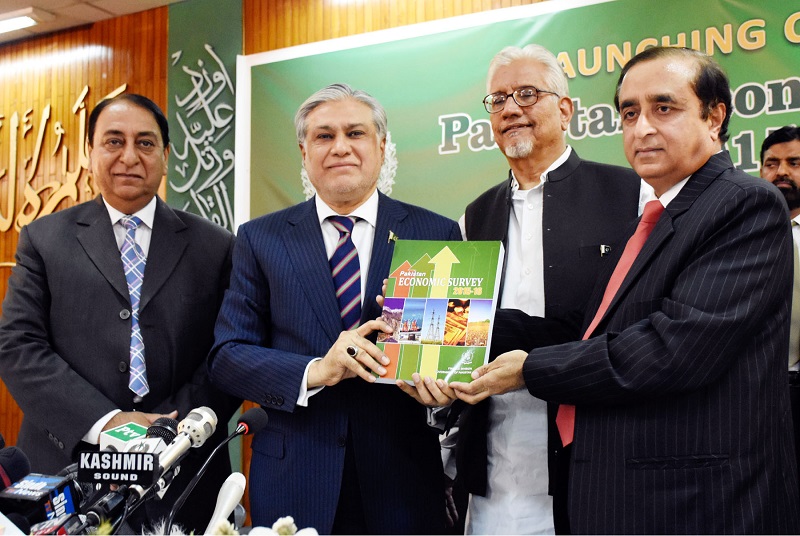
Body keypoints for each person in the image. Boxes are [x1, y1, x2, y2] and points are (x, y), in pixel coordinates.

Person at [450, 46, 800, 534]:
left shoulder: (743, 204)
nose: (643, 128)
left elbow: (675, 347)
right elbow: (587, 329)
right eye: (629, 112)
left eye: (664, 108)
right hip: (611, 491)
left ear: (714, 116)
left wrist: (530, 369)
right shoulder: (658, 215)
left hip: (699, 501)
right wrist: (441, 321)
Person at [208, 83, 462, 535]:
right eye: (324, 136)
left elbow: (451, 359)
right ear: (304, 153)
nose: (340, 147)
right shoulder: (260, 239)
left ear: (382, 147)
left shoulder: (435, 232)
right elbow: (228, 357)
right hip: (295, 482)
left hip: (404, 482)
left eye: (355, 133)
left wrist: (442, 397)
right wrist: (315, 371)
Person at [424, 44, 644, 535]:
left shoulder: (633, 196)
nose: (510, 109)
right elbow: (458, 340)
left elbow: (635, 335)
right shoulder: (472, 218)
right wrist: (422, 349)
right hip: (493, 476)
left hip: (596, 468)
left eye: (527, 94)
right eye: (497, 99)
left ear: (566, 110)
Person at [0, 93, 239, 532]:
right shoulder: (44, 239)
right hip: (66, 468)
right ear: (90, 152)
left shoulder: (215, 245)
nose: (130, 156)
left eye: (145, 144)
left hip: (183, 472)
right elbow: (18, 347)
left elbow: (226, 353)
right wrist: (110, 423)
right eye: (114, 141)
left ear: (165, 157)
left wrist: (168, 432)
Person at [760, 125, 800, 475]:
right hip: (759, 395)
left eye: (794, 162)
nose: (782, 172)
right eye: (771, 163)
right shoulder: (744, 234)